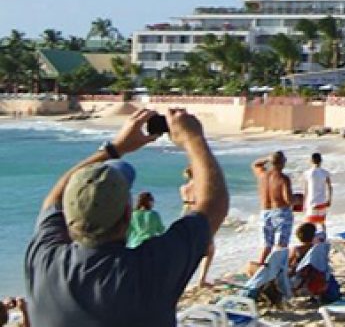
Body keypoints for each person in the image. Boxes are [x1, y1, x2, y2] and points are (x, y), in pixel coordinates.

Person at [24, 107, 228, 327]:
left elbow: (53, 200)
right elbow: (213, 205)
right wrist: (193, 139)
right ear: (128, 215)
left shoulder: (43, 259)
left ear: (67, 214)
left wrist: (113, 148)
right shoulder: (149, 271)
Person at [252, 150, 294, 265]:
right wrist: (298, 199)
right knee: (281, 245)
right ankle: (279, 267)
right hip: (281, 212)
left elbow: (256, 164)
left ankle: (261, 265)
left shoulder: (262, 175)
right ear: (282, 162)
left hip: (265, 212)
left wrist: (268, 158)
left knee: (266, 245)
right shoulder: (283, 178)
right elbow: (288, 200)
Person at [181, 165, 216, 286]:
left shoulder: (183, 188)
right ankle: (202, 278)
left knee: (188, 248)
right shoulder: (200, 187)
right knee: (209, 248)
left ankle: (183, 277)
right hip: (197, 213)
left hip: (185, 212)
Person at [304, 152, 333, 228]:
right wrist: (329, 200)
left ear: (311, 161)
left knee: (310, 224)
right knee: (322, 222)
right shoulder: (325, 173)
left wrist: (304, 203)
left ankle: (312, 235)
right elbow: (330, 187)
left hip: (311, 201)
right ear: (321, 160)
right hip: (322, 201)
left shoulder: (307, 173)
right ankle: (324, 234)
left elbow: (306, 190)